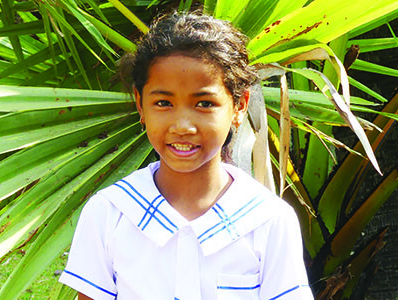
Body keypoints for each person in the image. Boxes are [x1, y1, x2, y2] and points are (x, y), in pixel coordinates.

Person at [59, 12, 314, 300]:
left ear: (239, 106)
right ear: (140, 105)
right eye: (163, 103)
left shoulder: (268, 219)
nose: (182, 126)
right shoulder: (110, 212)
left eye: (204, 103)